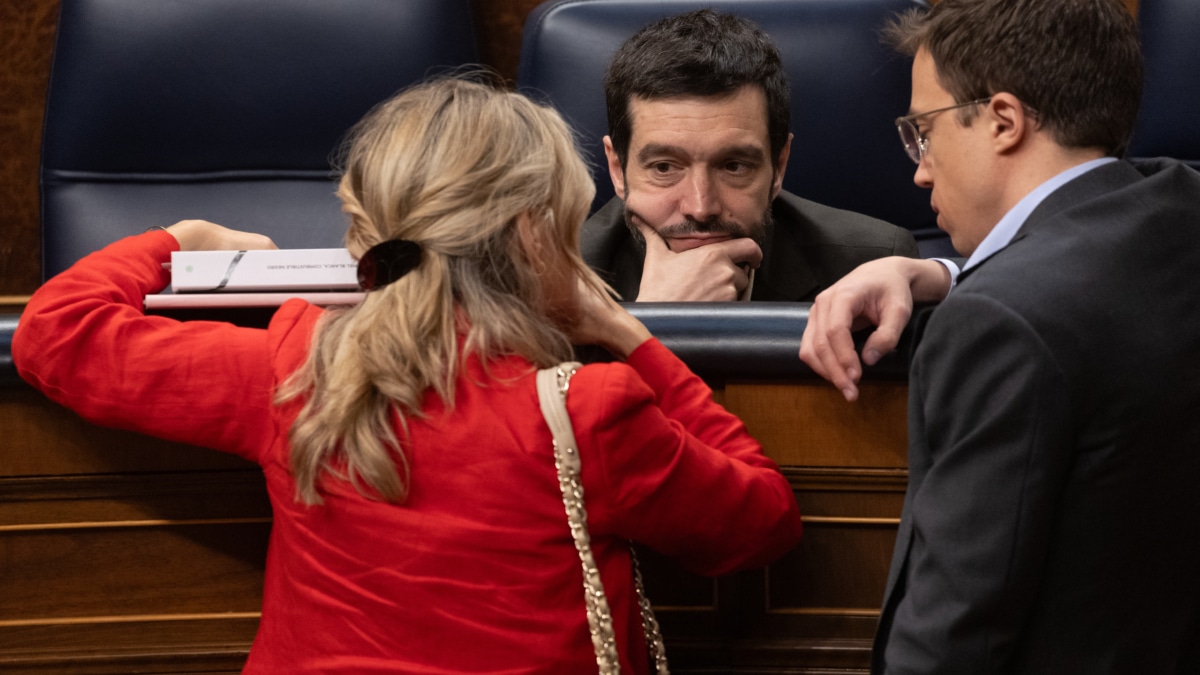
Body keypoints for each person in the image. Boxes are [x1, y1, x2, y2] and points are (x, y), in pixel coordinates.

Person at [13, 77, 804, 673]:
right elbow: (764, 521)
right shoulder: (594, 409)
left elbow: (57, 331)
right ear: (535, 235)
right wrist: (629, 332)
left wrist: (184, 234)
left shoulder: (293, 369)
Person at [800, 0, 1200, 672]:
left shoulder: (998, 322)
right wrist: (943, 272)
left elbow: (957, 627)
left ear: (1003, 121)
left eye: (922, 131)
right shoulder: (1180, 204)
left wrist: (974, 288)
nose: (920, 169)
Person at [581, 9, 919, 302]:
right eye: (665, 167)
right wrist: (655, 320)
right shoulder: (547, 280)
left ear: (779, 167)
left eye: (733, 166)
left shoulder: (870, 265)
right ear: (617, 168)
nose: (700, 207)